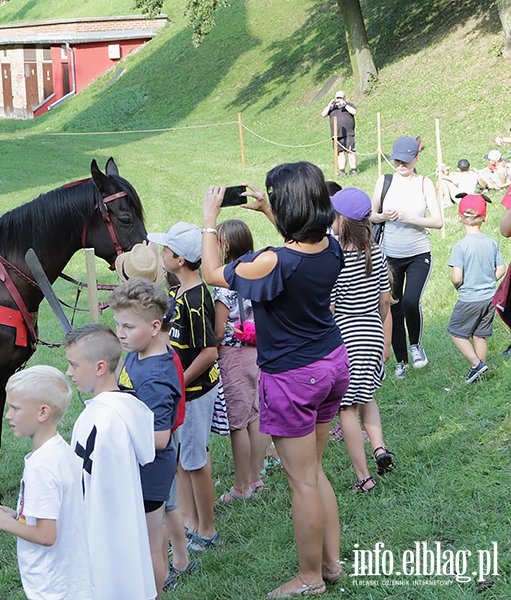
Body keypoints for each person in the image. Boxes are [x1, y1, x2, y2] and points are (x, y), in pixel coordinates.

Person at [201, 162, 349, 598]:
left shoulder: (271, 261)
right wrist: (271, 212)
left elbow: (214, 274)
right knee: (315, 471)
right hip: (332, 363)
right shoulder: (332, 246)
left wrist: (210, 221)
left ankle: (310, 578)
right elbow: (298, 247)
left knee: (301, 480)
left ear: (288, 207)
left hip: (293, 378)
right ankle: (331, 564)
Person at [147, 222, 227, 553]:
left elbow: (210, 352)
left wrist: (178, 382)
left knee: (196, 460)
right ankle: (191, 521)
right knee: (181, 459)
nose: (160, 254)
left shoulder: (196, 300)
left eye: (164, 250)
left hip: (193, 394)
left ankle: (206, 529)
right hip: (178, 394)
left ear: (180, 260)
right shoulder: (175, 293)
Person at [64, 323, 156, 600]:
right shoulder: (100, 413)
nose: (68, 373)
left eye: (73, 365)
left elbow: (110, 505)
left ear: (100, 367)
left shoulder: (108, 422)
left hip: (105, 542)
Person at [0, 365, 93, 600]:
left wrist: (6, 524)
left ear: (42, 412)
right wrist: (19, 516)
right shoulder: (61, 452)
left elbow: (46, 536)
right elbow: (54, 513)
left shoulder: (41, 466)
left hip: (53, 584)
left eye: (15, 408)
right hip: (70, 577)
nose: (8, 415)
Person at [109, 278, 181, 598]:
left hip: (151, 468)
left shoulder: (155, 377)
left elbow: (160, 438)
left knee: (151, 544)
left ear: (155, 326)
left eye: (128, 326)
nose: (121, 333)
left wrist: (115, 436)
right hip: (135, 462)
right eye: (118, 325)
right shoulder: (137, 351)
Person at [329, 188, 395, 493]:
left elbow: (329, 306)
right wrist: (384, 338)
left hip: (345, 339)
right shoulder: (376, 251)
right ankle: (380, 448)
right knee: (367, 395)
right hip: (372, 334)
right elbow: (385, 303)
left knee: (346, 409)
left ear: (340, 220)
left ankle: (364, 478)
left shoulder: (334, 256)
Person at [370, 136, 443, 379]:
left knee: (411, 301)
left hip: (418, 253)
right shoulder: (385, 180)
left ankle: (416, 346)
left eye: (405, 160)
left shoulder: (424, 183)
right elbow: (371, 215)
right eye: (397, 160)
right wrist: (384, 216)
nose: (401, 164)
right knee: (394, 307)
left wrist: (409, 218)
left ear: (416, 159)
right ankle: (401, 361)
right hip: (389, 255)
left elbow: (438, 221)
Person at [213, 219, 270, 502]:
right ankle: (256, 476)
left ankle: (241, 486)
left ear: (224, 246)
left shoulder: (224, 282)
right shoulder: (256, 275)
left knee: (238, 422)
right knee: (256, 416)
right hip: (257, 352)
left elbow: (219, 330)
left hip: (233, 356)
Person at [448, 193, 506, 383]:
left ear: (459, 217)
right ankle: (479, 371)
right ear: (485, 217)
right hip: (490, 297)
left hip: (469, 298)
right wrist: (490, 281)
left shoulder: (460, 246)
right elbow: (502, 269)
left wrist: (458, 285)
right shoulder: (491, 242)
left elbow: (457, 277)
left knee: (456, 330)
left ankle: (476, 363)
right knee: (479, 335)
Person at [321, 90, 357, 178]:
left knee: (350, 151)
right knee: (340, 153)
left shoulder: (349, 105)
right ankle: (342, 171)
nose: (338, 99)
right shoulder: (332, 107)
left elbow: (354, 112)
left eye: (340, 97)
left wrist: (344, 104)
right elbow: (323, 114)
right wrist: (329, 105)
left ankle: (354, 170)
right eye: (337, 98)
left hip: (348, 133)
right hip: (336, 134)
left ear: (344, 98)